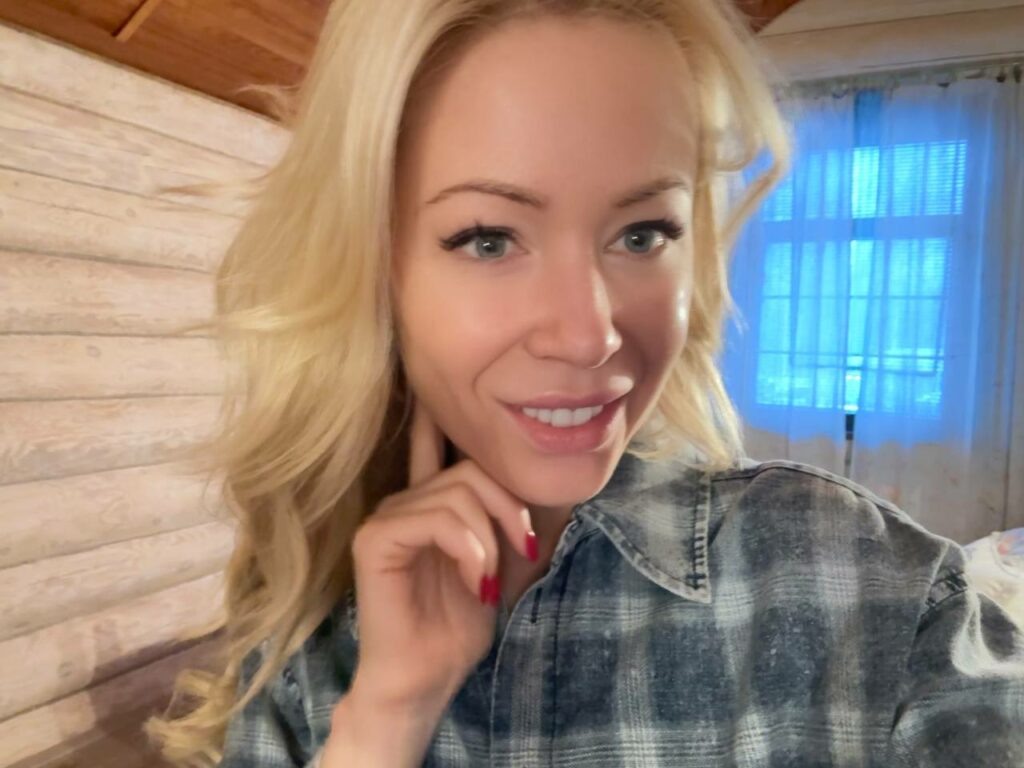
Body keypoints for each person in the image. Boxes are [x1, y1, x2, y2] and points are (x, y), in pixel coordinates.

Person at [144, 0, 1024, 766]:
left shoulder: (861, 584)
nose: (589, 334)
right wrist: (385, 719)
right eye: (489, 238)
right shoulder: (305, 659)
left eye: (642, 234)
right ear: (375, 268)